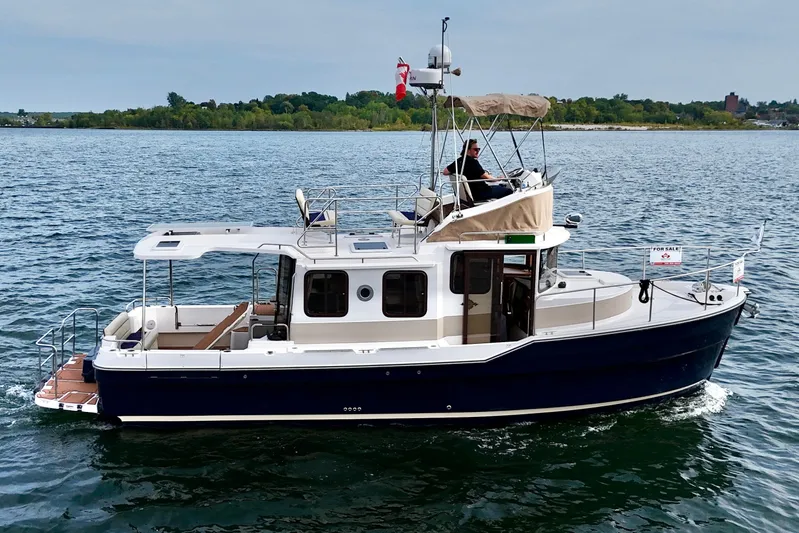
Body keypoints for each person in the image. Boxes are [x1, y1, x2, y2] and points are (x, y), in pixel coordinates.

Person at [442, 139, 513, 203]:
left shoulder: (458, 161)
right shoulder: (473, 163)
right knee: (509, 191)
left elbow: (445, 172)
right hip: (480, 193)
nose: (478, 151)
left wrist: (458, 172)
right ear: (468, 150)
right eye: (475, 149)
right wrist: (499, 178)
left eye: (478, 149)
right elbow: (488, 179)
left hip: (469, 194)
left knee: (499, 187)